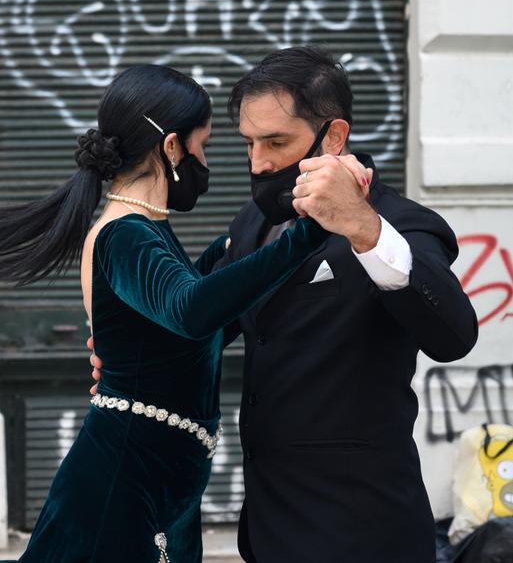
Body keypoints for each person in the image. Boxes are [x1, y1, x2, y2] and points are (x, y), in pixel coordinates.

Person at [89, 47, 478, 563]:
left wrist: (363, 227)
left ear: (333, 137)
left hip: (361, 533)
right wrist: (131, 358)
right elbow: (202, 323)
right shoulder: (251, 222)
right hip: (268, 530)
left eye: (276, 142)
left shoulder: (403, 224)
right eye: (249, 143)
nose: (259, 163)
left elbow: (454, 336)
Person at [0, 63, 370, 563]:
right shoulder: (124, 232)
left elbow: (178, 322)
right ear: (172, 147)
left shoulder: (149, 230)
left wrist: (225, 251)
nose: (208, 161)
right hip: (123, 484)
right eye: (205, 145)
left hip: (158, 481)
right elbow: (190, 311)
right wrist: (308, 233)